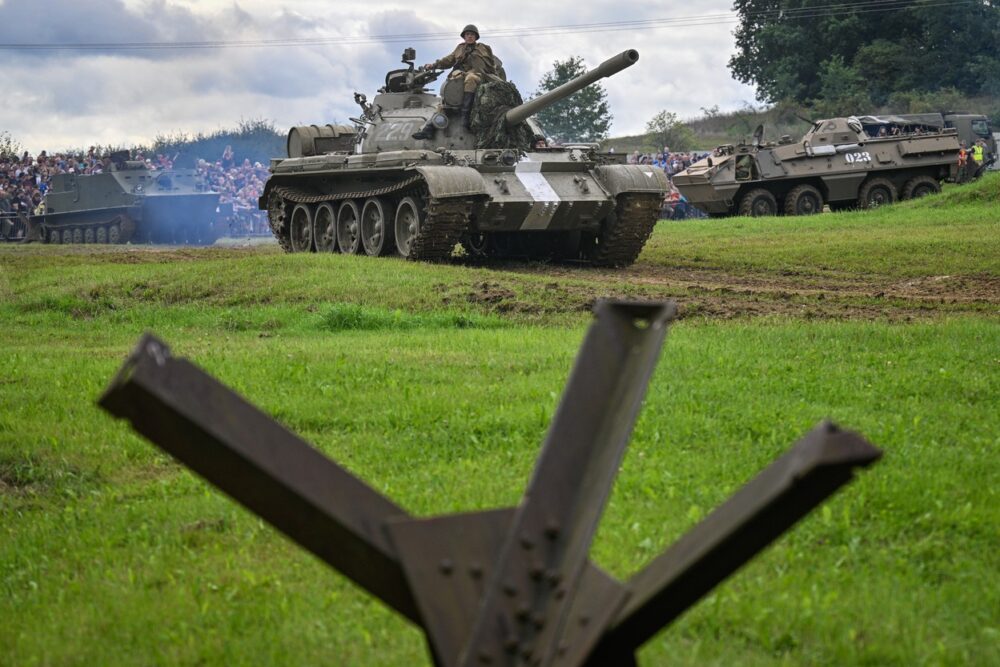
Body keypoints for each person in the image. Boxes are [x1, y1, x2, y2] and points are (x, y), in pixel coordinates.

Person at [412, 25, 496, 139]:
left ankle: (465, 117)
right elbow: (448, 60)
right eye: (467, 34)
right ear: (464, 37)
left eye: (472, 35)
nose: (470, 36)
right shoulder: (460, 48)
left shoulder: (484, 48)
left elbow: (492, 65)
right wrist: (434, 65)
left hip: (479, 76)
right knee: (451, 88)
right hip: (462, 76)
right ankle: (428, 129)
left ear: (476, 37)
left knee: (470, 78)